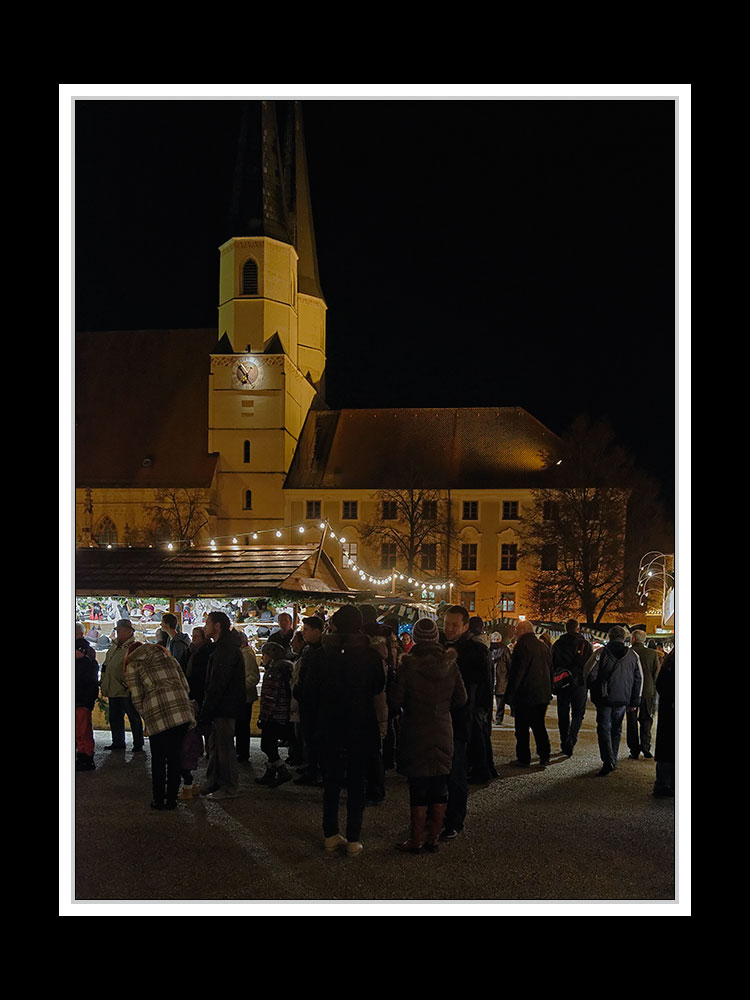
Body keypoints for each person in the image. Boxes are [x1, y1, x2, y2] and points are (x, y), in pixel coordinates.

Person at [306, 604, 386, 857]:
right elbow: (379, 688)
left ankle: (330, 834)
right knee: (356, 783)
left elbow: (308, 692)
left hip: (328, 725)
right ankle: (353, 838)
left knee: (331, 782)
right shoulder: (371, 656)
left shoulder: (320, 655)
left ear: (335, 626)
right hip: (360, 725)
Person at [390, 617, 467, 853]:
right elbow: (462, 699)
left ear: (415, 638)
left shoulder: (408, 665)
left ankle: (415, 839)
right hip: (443, 729)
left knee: (418, 786)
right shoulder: (450, 664)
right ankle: (433, 838)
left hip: (416, 730)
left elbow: (395, 701)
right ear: (436, 637)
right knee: (440, 784)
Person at [440, 605, 491, 841]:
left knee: (456, 772)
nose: (449, 628)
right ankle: (439, 816)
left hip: (459, 720)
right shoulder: (439, 646)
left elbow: (478, 689)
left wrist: (478, 714)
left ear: (465, 626)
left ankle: (454, 820)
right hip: (438, 719)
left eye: (454, 625)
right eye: (446, 623)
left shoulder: (472, 652)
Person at [124, 642, 196, 810]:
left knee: (158, 759)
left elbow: (137, 697)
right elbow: (185, 686)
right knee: (174, 757)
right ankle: (171, 800)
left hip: (157, 712)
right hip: (181, 712)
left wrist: (147, 717)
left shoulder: (134, 665)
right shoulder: (170, 659)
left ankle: (158, 800)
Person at [197, 611, 246, 800]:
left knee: (224, 747)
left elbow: (218, 683)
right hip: (222, 706)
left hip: (224, 706)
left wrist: (207, 709)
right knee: (216, 745)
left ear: (217, 626)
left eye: (208, 623)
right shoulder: (223, 647)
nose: (205, 626)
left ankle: (228, 786)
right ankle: (213, 782)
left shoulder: (226, 649)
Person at [586, 626, 643, 777]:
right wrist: (634, 701)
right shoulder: (633, 655)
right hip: (623, 698)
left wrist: (594, 688)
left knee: (603, 729)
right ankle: (613, 758)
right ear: (624, 637)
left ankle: (608, 760)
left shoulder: (601, 652)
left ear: (609, 636)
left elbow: (589, 673)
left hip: (604, 698)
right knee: (616, 729)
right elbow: (639, 679)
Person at [505, 621, 553, 767]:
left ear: (524, 630)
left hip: (525, 694)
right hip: (542, 693)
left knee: (522, 728)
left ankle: (524, 757)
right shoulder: (543, 646)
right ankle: (544, 755)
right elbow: (550, 670)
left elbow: (517, 672)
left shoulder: (522, 647)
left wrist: (510, 694)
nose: (516, 633)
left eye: (517, 630)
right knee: (539, 726)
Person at [99, 619, 144, 752]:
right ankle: (118, 742)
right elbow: (107, 664)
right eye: (117, 630)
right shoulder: (114, 646)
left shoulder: (134, 647)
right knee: (115, 718)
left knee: (133, 717)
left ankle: (138, 743)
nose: (118, 633)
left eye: (120, 630)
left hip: (126, 690)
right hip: (113, 688)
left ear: (129, 632)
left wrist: (127, 684)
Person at [255, 642, 295, 787]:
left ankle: (281, 770)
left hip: (273, 716)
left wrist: (263, 717)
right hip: (281, 714)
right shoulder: (285, 669)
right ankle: (270, 774)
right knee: (269, 744)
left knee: (267, 745)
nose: (262, 657)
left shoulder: (273, 672)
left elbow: (270, 697)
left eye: (264, 654)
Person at [551, 620, 593, 757]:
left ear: (565, 628)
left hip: (562, 682)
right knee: (578, 714)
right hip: (579, 683)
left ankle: (564, 741)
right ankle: (572, 737)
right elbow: (590, 666)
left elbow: (552, 663)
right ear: (578, 628)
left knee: (563, 713)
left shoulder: (558, 644)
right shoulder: (585, 645)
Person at [292, 616, 325, 785]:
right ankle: (310, 766)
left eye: (306, 630)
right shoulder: (309, 649)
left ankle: (314, 770)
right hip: (306, 699)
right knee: (307, 736)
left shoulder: (321, 651)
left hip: (314, 702)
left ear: (317, 631)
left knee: (313, 737)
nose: (303, 633)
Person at [627, 629, 661, 760]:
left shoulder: (629, 653)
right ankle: (646, 747)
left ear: (633, 639)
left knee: (631, 721)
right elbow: (656, 674)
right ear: (644, 640)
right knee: (647, 719)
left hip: (631, 692)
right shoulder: (652, 654)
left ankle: (634, 749)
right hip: (648, 692)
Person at [75, 628, 100, 771]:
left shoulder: (88, 665)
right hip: (79, 701)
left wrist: (88, 702)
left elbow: (90, 685)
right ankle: (82, 754)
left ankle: (87, 756)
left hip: (83, 702)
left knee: (84, 731)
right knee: (78, 731)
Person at [235, 631, 261, 762]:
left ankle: (243, 753)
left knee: (243, 726)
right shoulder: (244, 653)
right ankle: (241, 751)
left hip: (245, 697)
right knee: (241, 726)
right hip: (243, 696)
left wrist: (239, 688)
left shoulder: (246, 655)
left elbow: (253, 677)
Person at [653, 647, 675, 797]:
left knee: (667, 747)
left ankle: (663, 784)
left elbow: (660, 683)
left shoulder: (670, 660)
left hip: (668, 711)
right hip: (671, 710)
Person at [178, 700, 204, 800]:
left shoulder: (188, 732)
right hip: (192, 753)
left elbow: (186, 746)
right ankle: (192, 788)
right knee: (186, 771)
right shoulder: (194, 729)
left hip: (187, 755)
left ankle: (187, 792)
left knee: (184, 772)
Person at [185, 627, 211, 710]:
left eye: (196, 636)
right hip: (191, 688)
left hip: (201, 689)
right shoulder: (189, 651)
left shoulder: (207, 652)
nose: (193, 639)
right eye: (192, 636)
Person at [490, 632, 511, 726]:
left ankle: (498, 718)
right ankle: (491, 718)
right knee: (491, 700)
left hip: (501, 678)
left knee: (500, 701)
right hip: (493, 679)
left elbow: (509, 663)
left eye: (496, 640)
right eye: (493, 640)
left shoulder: (504, 650)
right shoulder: (489, 650)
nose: (495, 642)